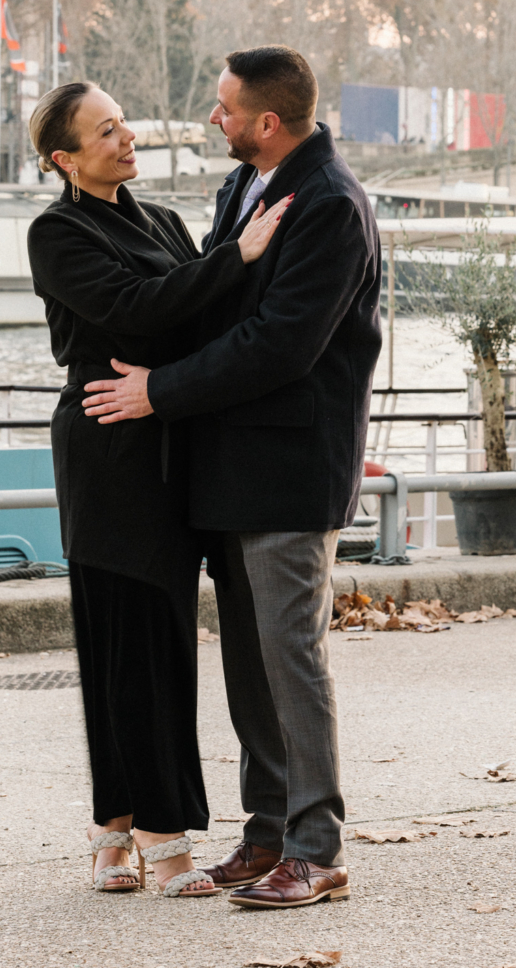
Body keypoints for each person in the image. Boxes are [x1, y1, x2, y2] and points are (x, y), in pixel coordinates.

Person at [82, 46, 381, 910]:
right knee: (251, 662)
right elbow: (216, 305)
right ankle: (266, 833)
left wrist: (155, 394)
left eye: (223, 109)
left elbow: (281, 344)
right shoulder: (245, 189)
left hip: (290, 466)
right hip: (232, 469)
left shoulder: (329, 205)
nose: (211, 119)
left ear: (266, 122)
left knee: (290, 656)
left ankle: (315, 848)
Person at [25, 81, 291, 899]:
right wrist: (236, 256)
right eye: (105, 132)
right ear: (64, 158)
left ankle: (114, 831)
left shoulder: (163, 221)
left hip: (170, 441)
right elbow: (134, 309)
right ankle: (162, 836)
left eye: (122, 123)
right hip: (108, 445)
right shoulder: (56, 232)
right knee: (124, 638)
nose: (126, 137)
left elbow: (193, 320)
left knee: (153, 637)